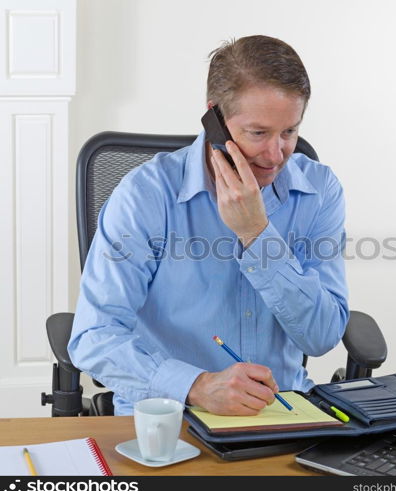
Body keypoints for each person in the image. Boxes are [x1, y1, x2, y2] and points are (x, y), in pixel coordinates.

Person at [68, 35, 349, 416]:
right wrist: (196, 386)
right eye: (258, 133)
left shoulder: (318, 190)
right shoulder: (145, 195)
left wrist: (257, 235)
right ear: (215, 118)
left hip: (282, 413)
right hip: (170, 415)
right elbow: (94, 337)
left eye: (289, 132)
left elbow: (321, 337)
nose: (276, 154)